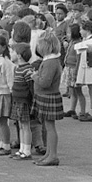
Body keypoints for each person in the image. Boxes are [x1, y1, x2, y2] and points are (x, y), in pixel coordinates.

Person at [31, 33, 64, 166]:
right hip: (45, 96)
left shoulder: (50, 62)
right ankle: (49, 153)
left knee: (50, 127)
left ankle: (53, 155)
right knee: (48, 126)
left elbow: (45, 82)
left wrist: (34, 76)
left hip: (48, 96)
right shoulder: (50, 60)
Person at [9, 43, 35, 160]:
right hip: (17, 100)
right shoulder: (18, 68)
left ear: (19, 55)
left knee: (26, 126)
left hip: (24, 101)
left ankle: (27, 150)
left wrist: (33, 101)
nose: (11, 54)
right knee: (20, 125)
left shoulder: (27, 69)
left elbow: (31, 87)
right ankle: (22, 149)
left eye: (13, 51)